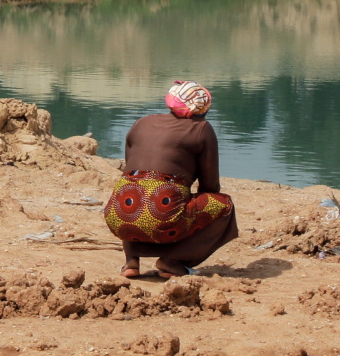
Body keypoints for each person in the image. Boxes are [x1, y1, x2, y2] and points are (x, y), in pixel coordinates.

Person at [102, 79, 238, 279]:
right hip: (161, 215)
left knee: (136, 190)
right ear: (203, 109)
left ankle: (131, 262)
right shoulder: (202, 129)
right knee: (223, 205)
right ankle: (172, 261)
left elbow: (131, 168)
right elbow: (210, 185)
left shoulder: (142, 122)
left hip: (117, 213)